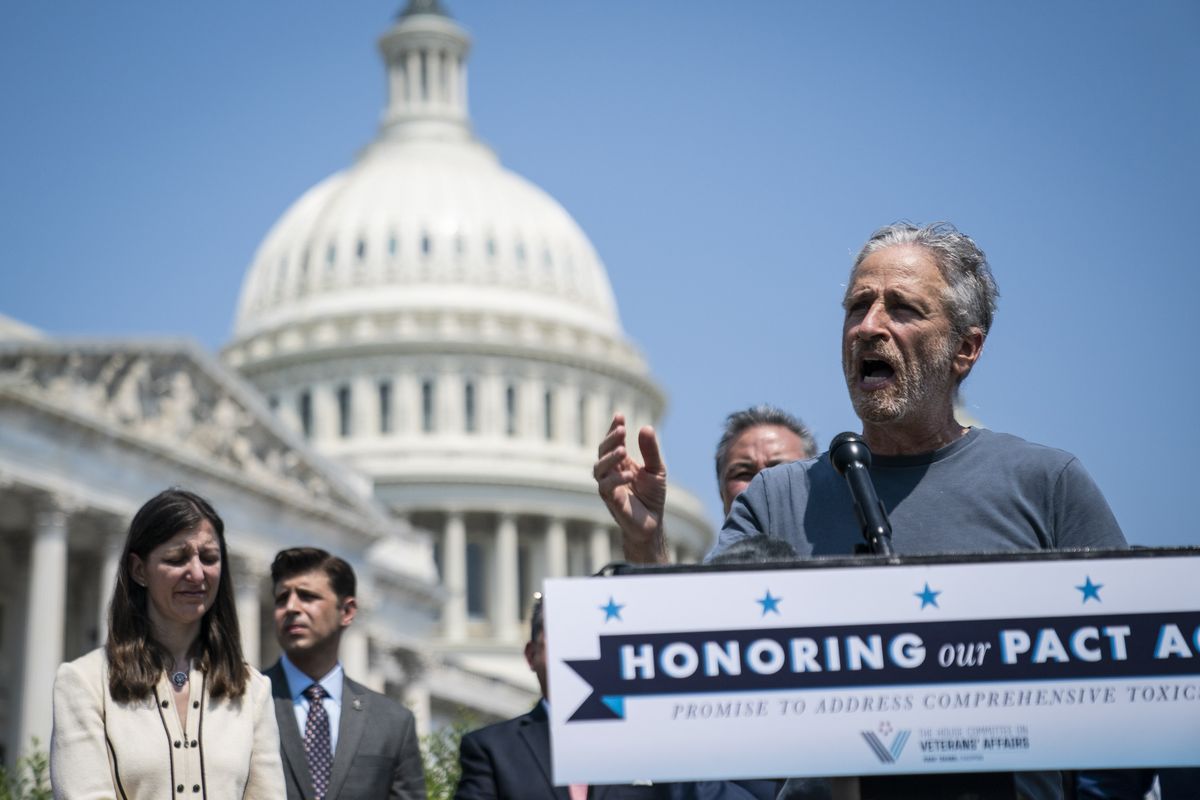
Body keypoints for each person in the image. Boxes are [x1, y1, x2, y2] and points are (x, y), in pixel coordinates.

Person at [599, 222, 1128, 798]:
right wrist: (647, 545)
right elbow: (699, 674)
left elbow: (1132, 694)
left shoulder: (1048, 486)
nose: (870, 326)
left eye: (902, 308)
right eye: (858, 306)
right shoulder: (778, 500)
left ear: (966, 348)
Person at [50, 488, 285, 798]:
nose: (197, 573)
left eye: (210, 558)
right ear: (139, 570)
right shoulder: (84, 683)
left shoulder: (252, 690)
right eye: (177, 558)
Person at [454, 595, 776, 800]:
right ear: (531, 654)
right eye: (560, 633)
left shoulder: (651, 742)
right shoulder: (491, 749)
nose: (573, 646)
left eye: (583, 634)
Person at [265, 547, 425, 800]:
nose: (291, 607)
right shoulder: (243, 701)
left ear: (347, 611)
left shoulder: (393, 722)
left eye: (307, 596)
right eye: (281, 598)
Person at [595, 405, 817, 562]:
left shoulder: (846, 570)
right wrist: (646, 541)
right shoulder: (712, 591)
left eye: (780, 470)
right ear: (721, 494)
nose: (762, 483)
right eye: (743, 473)